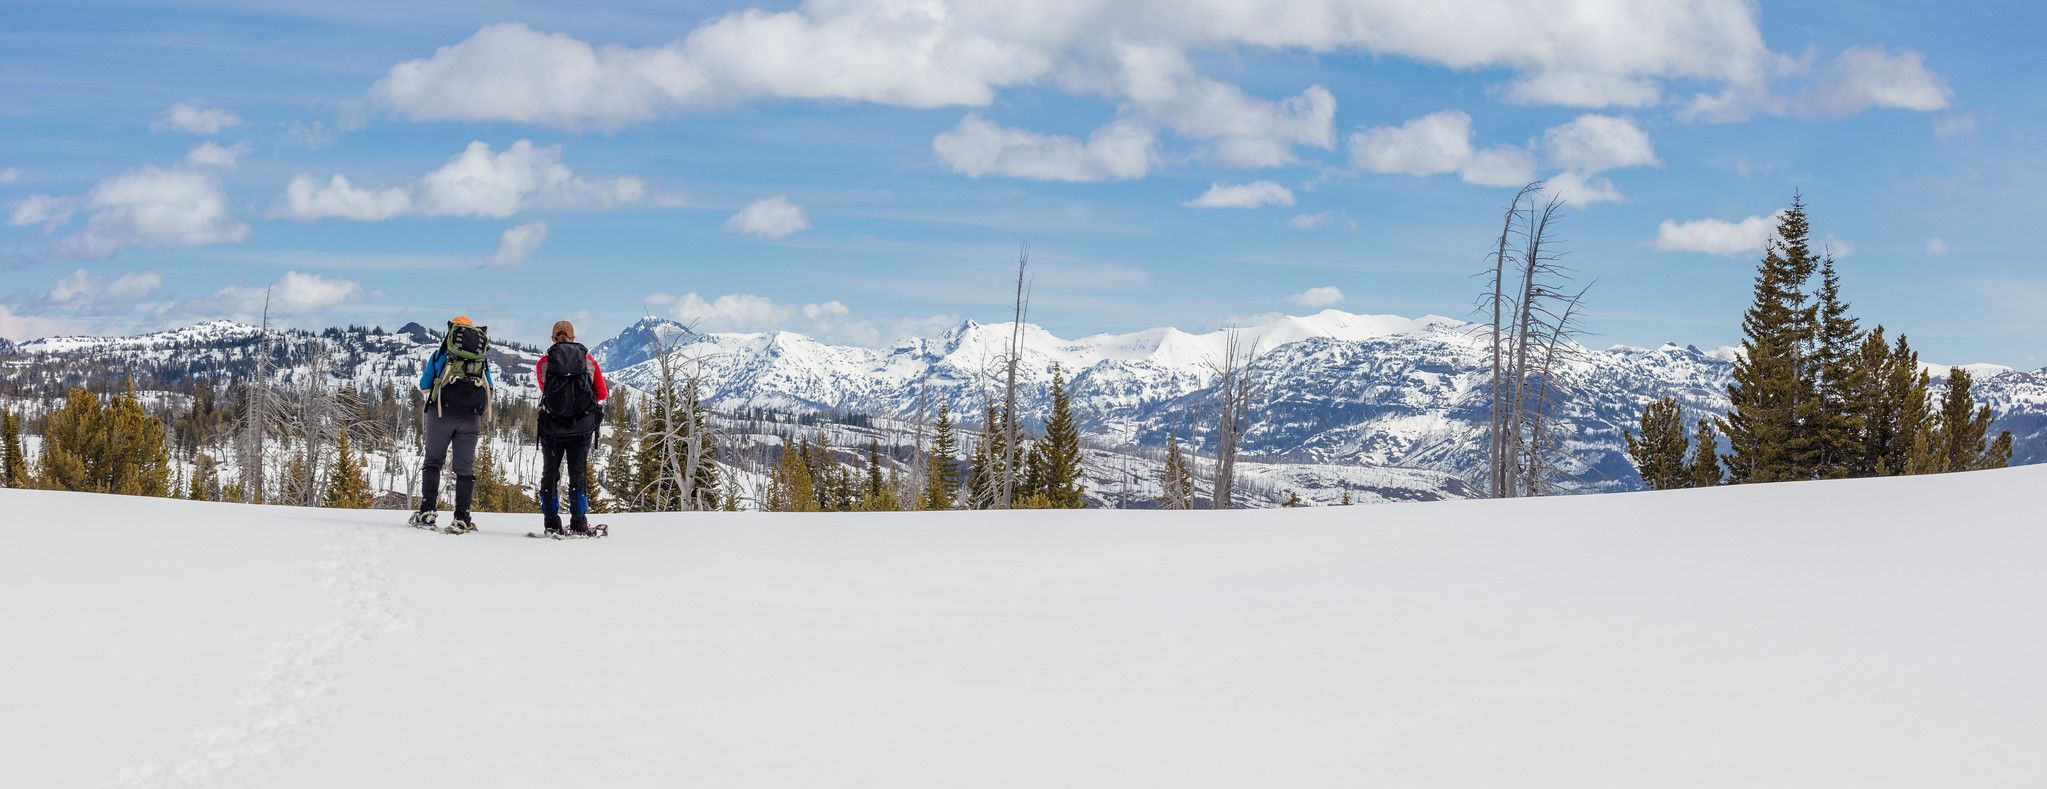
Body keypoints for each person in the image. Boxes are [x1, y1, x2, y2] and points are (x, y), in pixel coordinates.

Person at [410, 315, 494, 533]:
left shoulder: (440, 355)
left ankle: (428, 511)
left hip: (441, 414)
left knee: (433, 461)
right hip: (471, 418)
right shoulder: (481, 359)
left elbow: (424, 386)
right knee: (465, 468)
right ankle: (462, 518)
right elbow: (490, 388)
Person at [535, 320, 608, 536]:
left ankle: (551, 523)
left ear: (553, 338)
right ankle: (578, 523)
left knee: (550, 474)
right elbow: (602, 393)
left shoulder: (544, 363)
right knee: (578, 474)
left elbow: (545, 390)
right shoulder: (589, 361)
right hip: (581, 428)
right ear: (573, 337)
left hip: (552, 428)